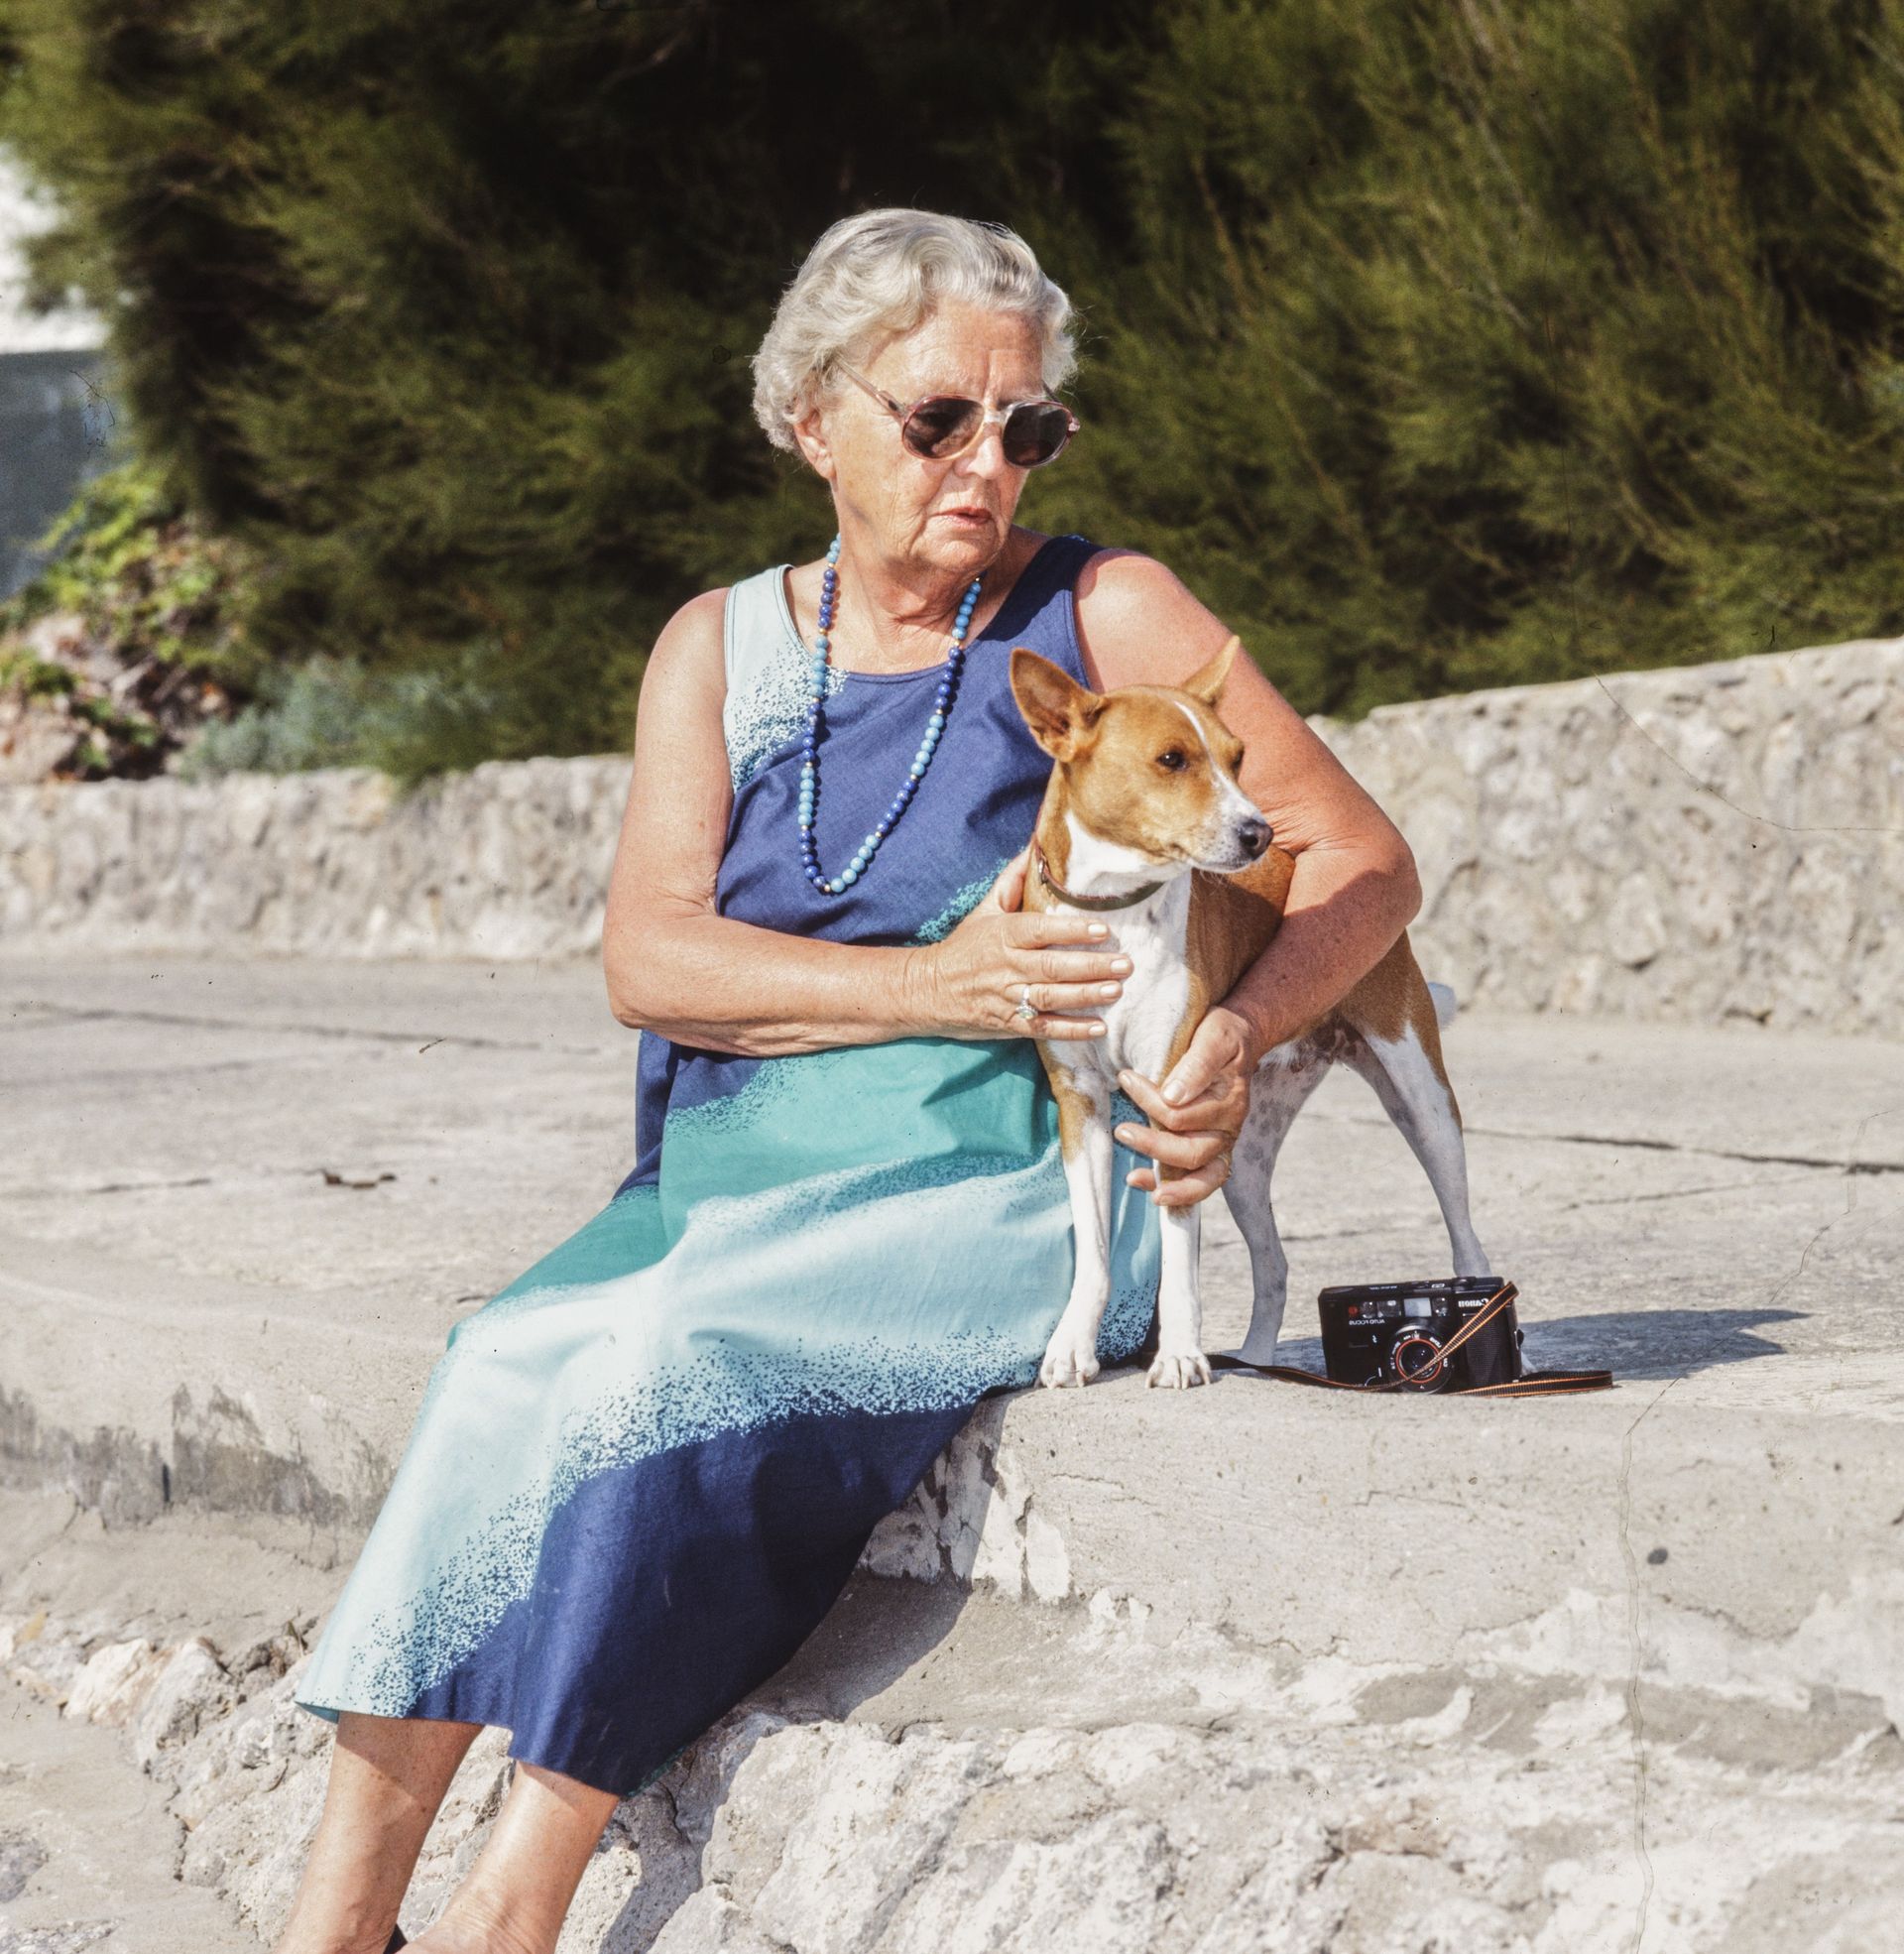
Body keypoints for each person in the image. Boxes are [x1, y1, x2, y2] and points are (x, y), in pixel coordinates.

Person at [277, 207, 1420, 1954]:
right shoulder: (715, 649)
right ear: (816, 415)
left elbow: (1360, 861)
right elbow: (648, 961)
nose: (989, 464)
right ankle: (333, 1927)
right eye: (937, 419)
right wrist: (930, 981)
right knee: (500, 1360)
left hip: (1016, 1189)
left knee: (678, 1355)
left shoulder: (1105, 611)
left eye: (1026, 427)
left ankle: (516, 1910)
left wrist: (1232, 1035)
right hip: (733, 1177)